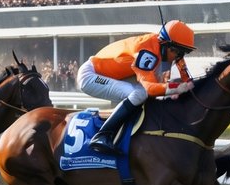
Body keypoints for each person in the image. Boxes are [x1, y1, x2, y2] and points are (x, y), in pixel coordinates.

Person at [77, 19, 196, 155]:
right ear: (166, 45)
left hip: (115, 76)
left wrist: (192, 86)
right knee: (140, 94)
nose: (178, 57)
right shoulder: (146, 51)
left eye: (183, 53)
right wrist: (178, 87)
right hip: (91, 75)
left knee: (153, 87)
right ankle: (102, 136)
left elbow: (188, 80)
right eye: (177, 52)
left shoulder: (167, 47)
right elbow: (150, 89)